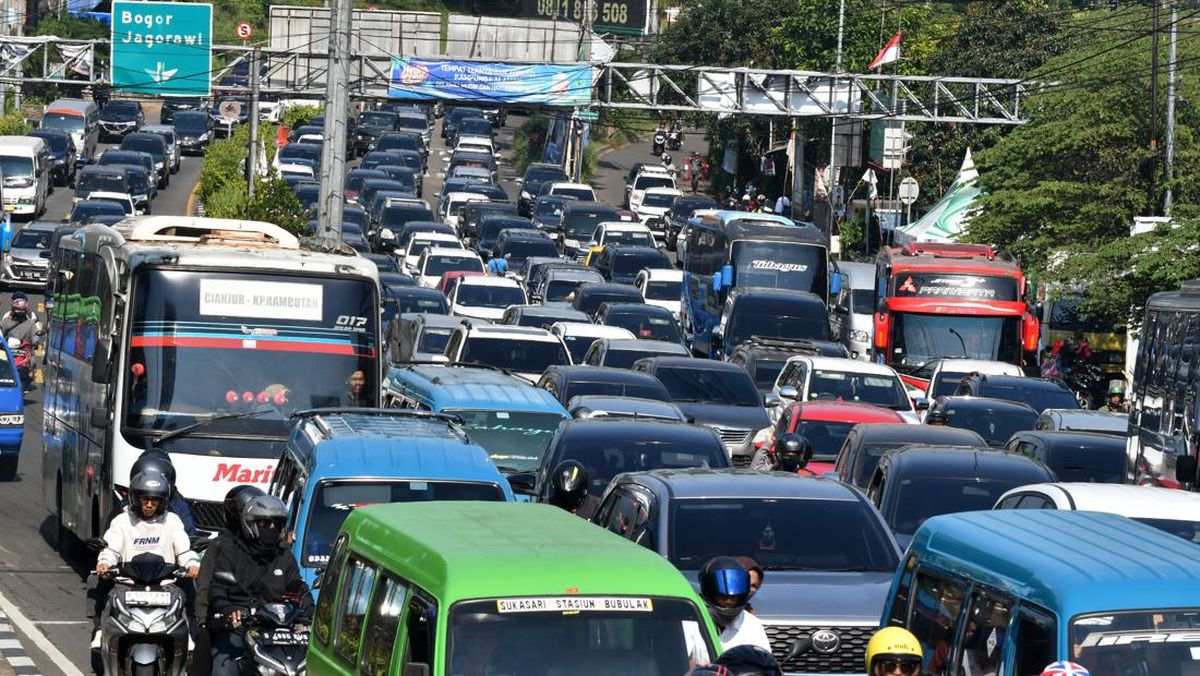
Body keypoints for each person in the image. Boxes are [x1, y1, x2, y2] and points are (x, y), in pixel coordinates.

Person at [91, 471, 199, 649]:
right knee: (97, 581)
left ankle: (186, 632)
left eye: (154, 500)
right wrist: (104, 562)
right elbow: (111, 549)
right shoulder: (122, 521)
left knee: (188, 588)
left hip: (165, 585)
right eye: (144, 499)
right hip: (126, 585)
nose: (149, 505)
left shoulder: (172, 521)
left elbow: (184, 550)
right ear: (135, 498)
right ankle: (101, 630)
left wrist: (192, 564)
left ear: (163, 501)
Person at [207, 494, 311, 676]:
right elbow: (217, 589)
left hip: (279, 632)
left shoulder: (285, 557)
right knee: (223, 670)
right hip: (239, 629)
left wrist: (311, 612)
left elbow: (298, 587)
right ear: (250, 524)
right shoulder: (230, 553)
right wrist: (229, 609)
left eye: (277, 524)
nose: (272, 528)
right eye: (265, 523)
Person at [698, 556, 771, 652]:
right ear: (710, 593)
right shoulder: (693, 620)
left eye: (734, 597)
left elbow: (763, 662)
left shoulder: (752, 625)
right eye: (722, 596)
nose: (728, 601)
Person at [128, 449, 197, 537]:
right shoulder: (123, 514)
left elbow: (189, 535)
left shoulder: (175, 509)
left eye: (156, 499)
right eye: (144, 498)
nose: (149, 504)